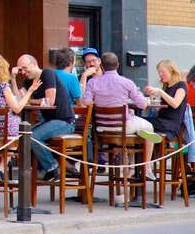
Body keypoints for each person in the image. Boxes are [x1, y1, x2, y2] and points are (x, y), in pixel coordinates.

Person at [79, 52, 162, 183]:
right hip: (124, 126)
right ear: (117, 65)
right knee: (148, 126)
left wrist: (101, 103)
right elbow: (142, 104)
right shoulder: (127, 82)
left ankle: (133, 165)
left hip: (102, 128)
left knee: (137, 127)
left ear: (103, 67)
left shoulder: (92, 83)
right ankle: (146, 166)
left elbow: (85, 102)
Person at [12, 54, 78, 182]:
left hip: (64, 122)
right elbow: (18, 99)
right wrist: (13, 79)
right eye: (21, 70)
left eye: (25, 68)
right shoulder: (28, 81)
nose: (24, 72)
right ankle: (42, 170)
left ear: (34, 64)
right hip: (49, 121)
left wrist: (30, 99)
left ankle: (52, 168)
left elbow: (49, 101)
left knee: (31, 136)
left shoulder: (47, 74)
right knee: (24, 135)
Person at [143, 59, 189, 143]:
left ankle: (150, 140)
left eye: (162, 72)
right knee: (142, 122)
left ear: (171, 71)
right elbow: (158, 109)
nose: (160, 75)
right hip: (161, 121)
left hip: (171, 124)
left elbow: (175, 104)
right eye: (159, 72)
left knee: (142, 122)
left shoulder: (181, 85)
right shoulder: (167, 87)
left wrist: (160, 91)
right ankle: (149, 141)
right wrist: (152, 95)